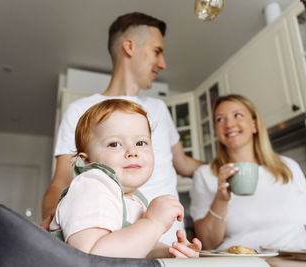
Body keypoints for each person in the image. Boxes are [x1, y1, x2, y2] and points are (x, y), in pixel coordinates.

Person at [42, 12, 204, 245]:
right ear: (129, 47)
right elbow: (61, 181)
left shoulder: (159, 109)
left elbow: (184, 164)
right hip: (110, 246)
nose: (163, 64)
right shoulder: (82, 111)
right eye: (157, 51)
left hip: (170, 246)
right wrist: (53, 221)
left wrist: (221, 167)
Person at [49, 99, 202, 258]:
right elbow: (93, 257)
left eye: (141, 142)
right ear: (87, 161)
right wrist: (153, 223)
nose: (133, 151)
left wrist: (172, 252)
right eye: (115, 144)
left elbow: (137, 248)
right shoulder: (92, 185)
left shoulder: (132, 199)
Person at [190, 94, 306, 251]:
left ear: (254, 124)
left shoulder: (288, 166)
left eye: (237, 115)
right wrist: (221, 200)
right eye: (220, 119)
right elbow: (207, 244)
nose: (229, 124)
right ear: (216, 131)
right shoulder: (205, 175)